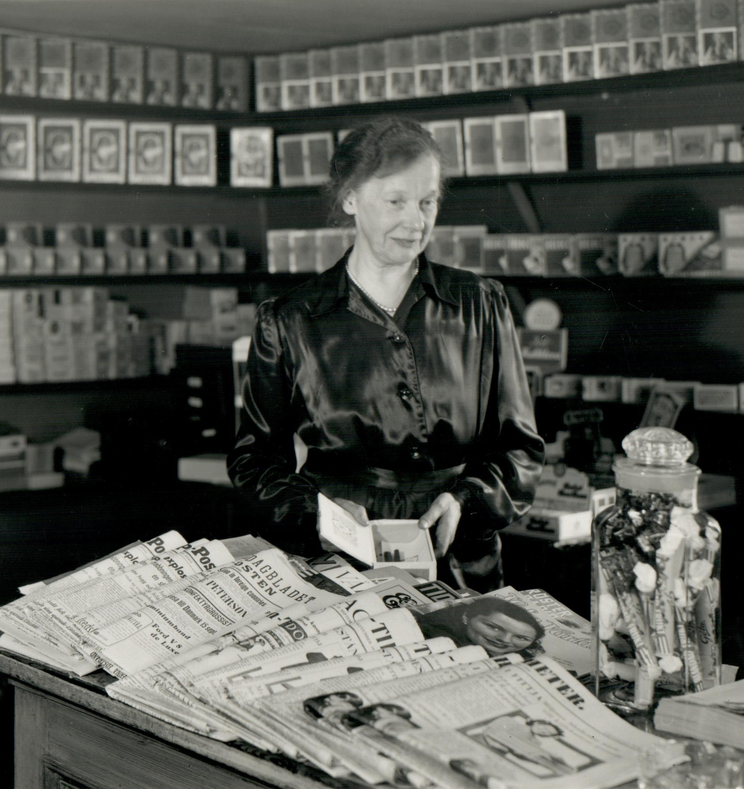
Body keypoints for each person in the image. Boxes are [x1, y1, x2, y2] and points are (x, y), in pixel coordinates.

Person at [228, 117, 544, 591]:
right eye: (396, 201)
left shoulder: (480, 303)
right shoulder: (290, 319)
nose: (416, 222)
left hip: (460, 564)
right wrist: (318, 513)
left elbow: (520, 447)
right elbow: (255, 462)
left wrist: (464, 500)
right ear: (350, 199)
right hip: (339, 563)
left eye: (427, 201)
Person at [414, 596, 544, 656]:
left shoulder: (527, 657)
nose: (504, 640)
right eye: (494, 627)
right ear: (466, 617)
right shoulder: (433, 636)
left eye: (521, 638)